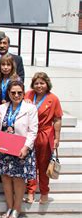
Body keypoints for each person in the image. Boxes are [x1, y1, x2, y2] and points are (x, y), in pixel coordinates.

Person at [0, 80, 38, 218]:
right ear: (8, 93)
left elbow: (33, 131)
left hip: (21, 148)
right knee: (6, 178)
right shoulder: (2, 108)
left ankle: (17, 208)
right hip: (5, 147)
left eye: (19, 92)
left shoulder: (30, 108)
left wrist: (26, 147)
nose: (16, 95)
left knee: (19, 179)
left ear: (23, 93)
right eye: (13, 92)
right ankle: (9, 206)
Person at [24, 72, 63, 204]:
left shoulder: (53, 99)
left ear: (47, 84)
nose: (39, 86)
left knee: (43, 165)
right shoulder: (28, 94)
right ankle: (30, 192)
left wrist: (57, 138)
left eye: (42, 83)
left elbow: (57, 119)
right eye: (36, 83)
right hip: (29, 134)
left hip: (44, 134)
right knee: (30, 164)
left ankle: (44, 192)